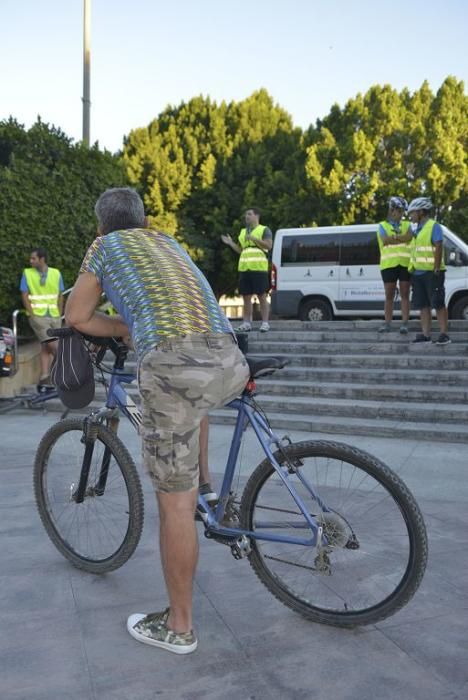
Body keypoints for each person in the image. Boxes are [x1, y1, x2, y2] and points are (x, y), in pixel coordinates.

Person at [65, 187, 249, 654]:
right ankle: (207, 485)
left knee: (173, 507)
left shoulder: (104, 247)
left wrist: (124, 327)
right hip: (229, 355)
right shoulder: (166, 241)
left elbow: (78, 315)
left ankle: (179, 625)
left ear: (100, 225)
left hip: (174, 363)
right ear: (144, 220)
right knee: (193, 406)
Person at [393, 197, 450, 345]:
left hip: (433, 272)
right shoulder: (416, 229)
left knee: (438, 303)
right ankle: (426, 335)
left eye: (412, 213)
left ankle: (444, 334)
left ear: (421, 212)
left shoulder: (433, 226)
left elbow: (438, 246)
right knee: (423, 305)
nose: (410, 216)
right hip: (418, 273)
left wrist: (437, 267)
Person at [221, 207, 272, 332]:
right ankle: (246, 323)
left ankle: (265, 323)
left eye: (249, 214)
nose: (246, 217)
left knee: (261, 296)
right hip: (244, 269)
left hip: (259, 269)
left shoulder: (264, 230)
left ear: (256, 216)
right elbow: (241, 250)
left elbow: (269, 245)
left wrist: (254, 239)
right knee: (246, 297)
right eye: (246, 215)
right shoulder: (243, 232)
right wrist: (231, 243)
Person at [20, 248, 64, 385]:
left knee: (46, 346)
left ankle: (45, 376)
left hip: (54, 315)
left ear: (42, 259)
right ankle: (66, 365)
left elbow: (60, 294)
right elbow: (24, 294)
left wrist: (60, 312)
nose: (30, 261)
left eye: (33, 258)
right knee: (52, 343)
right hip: (38, 316)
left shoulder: (56, 273)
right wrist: (32, 314)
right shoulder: (27, 273)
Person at [376, 196, 412, 334]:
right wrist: (400, 238)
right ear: (392, 210)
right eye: (399, 211)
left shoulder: (407, 225)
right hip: (388, 265)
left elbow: (409, 237)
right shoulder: (382, 226)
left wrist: (394, 239)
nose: (402, 214)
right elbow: (385, 240)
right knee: (389, 295)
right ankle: (387, 324)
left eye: (403, 211)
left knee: (404, 294)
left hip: (404, 264)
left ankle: (404, 324)